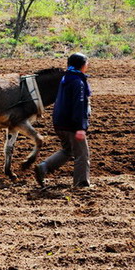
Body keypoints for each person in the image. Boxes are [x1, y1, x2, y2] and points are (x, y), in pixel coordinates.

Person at [34, 52, 92, 189]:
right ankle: (81, 184)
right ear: (82, 65)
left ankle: (44, 166)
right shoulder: (78, 82)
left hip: (59, 122)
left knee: (68, 150)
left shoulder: (65, 78)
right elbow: (79, 105)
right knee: (82, 155)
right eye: (87, 63)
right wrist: (80, 127)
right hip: (72, 124)